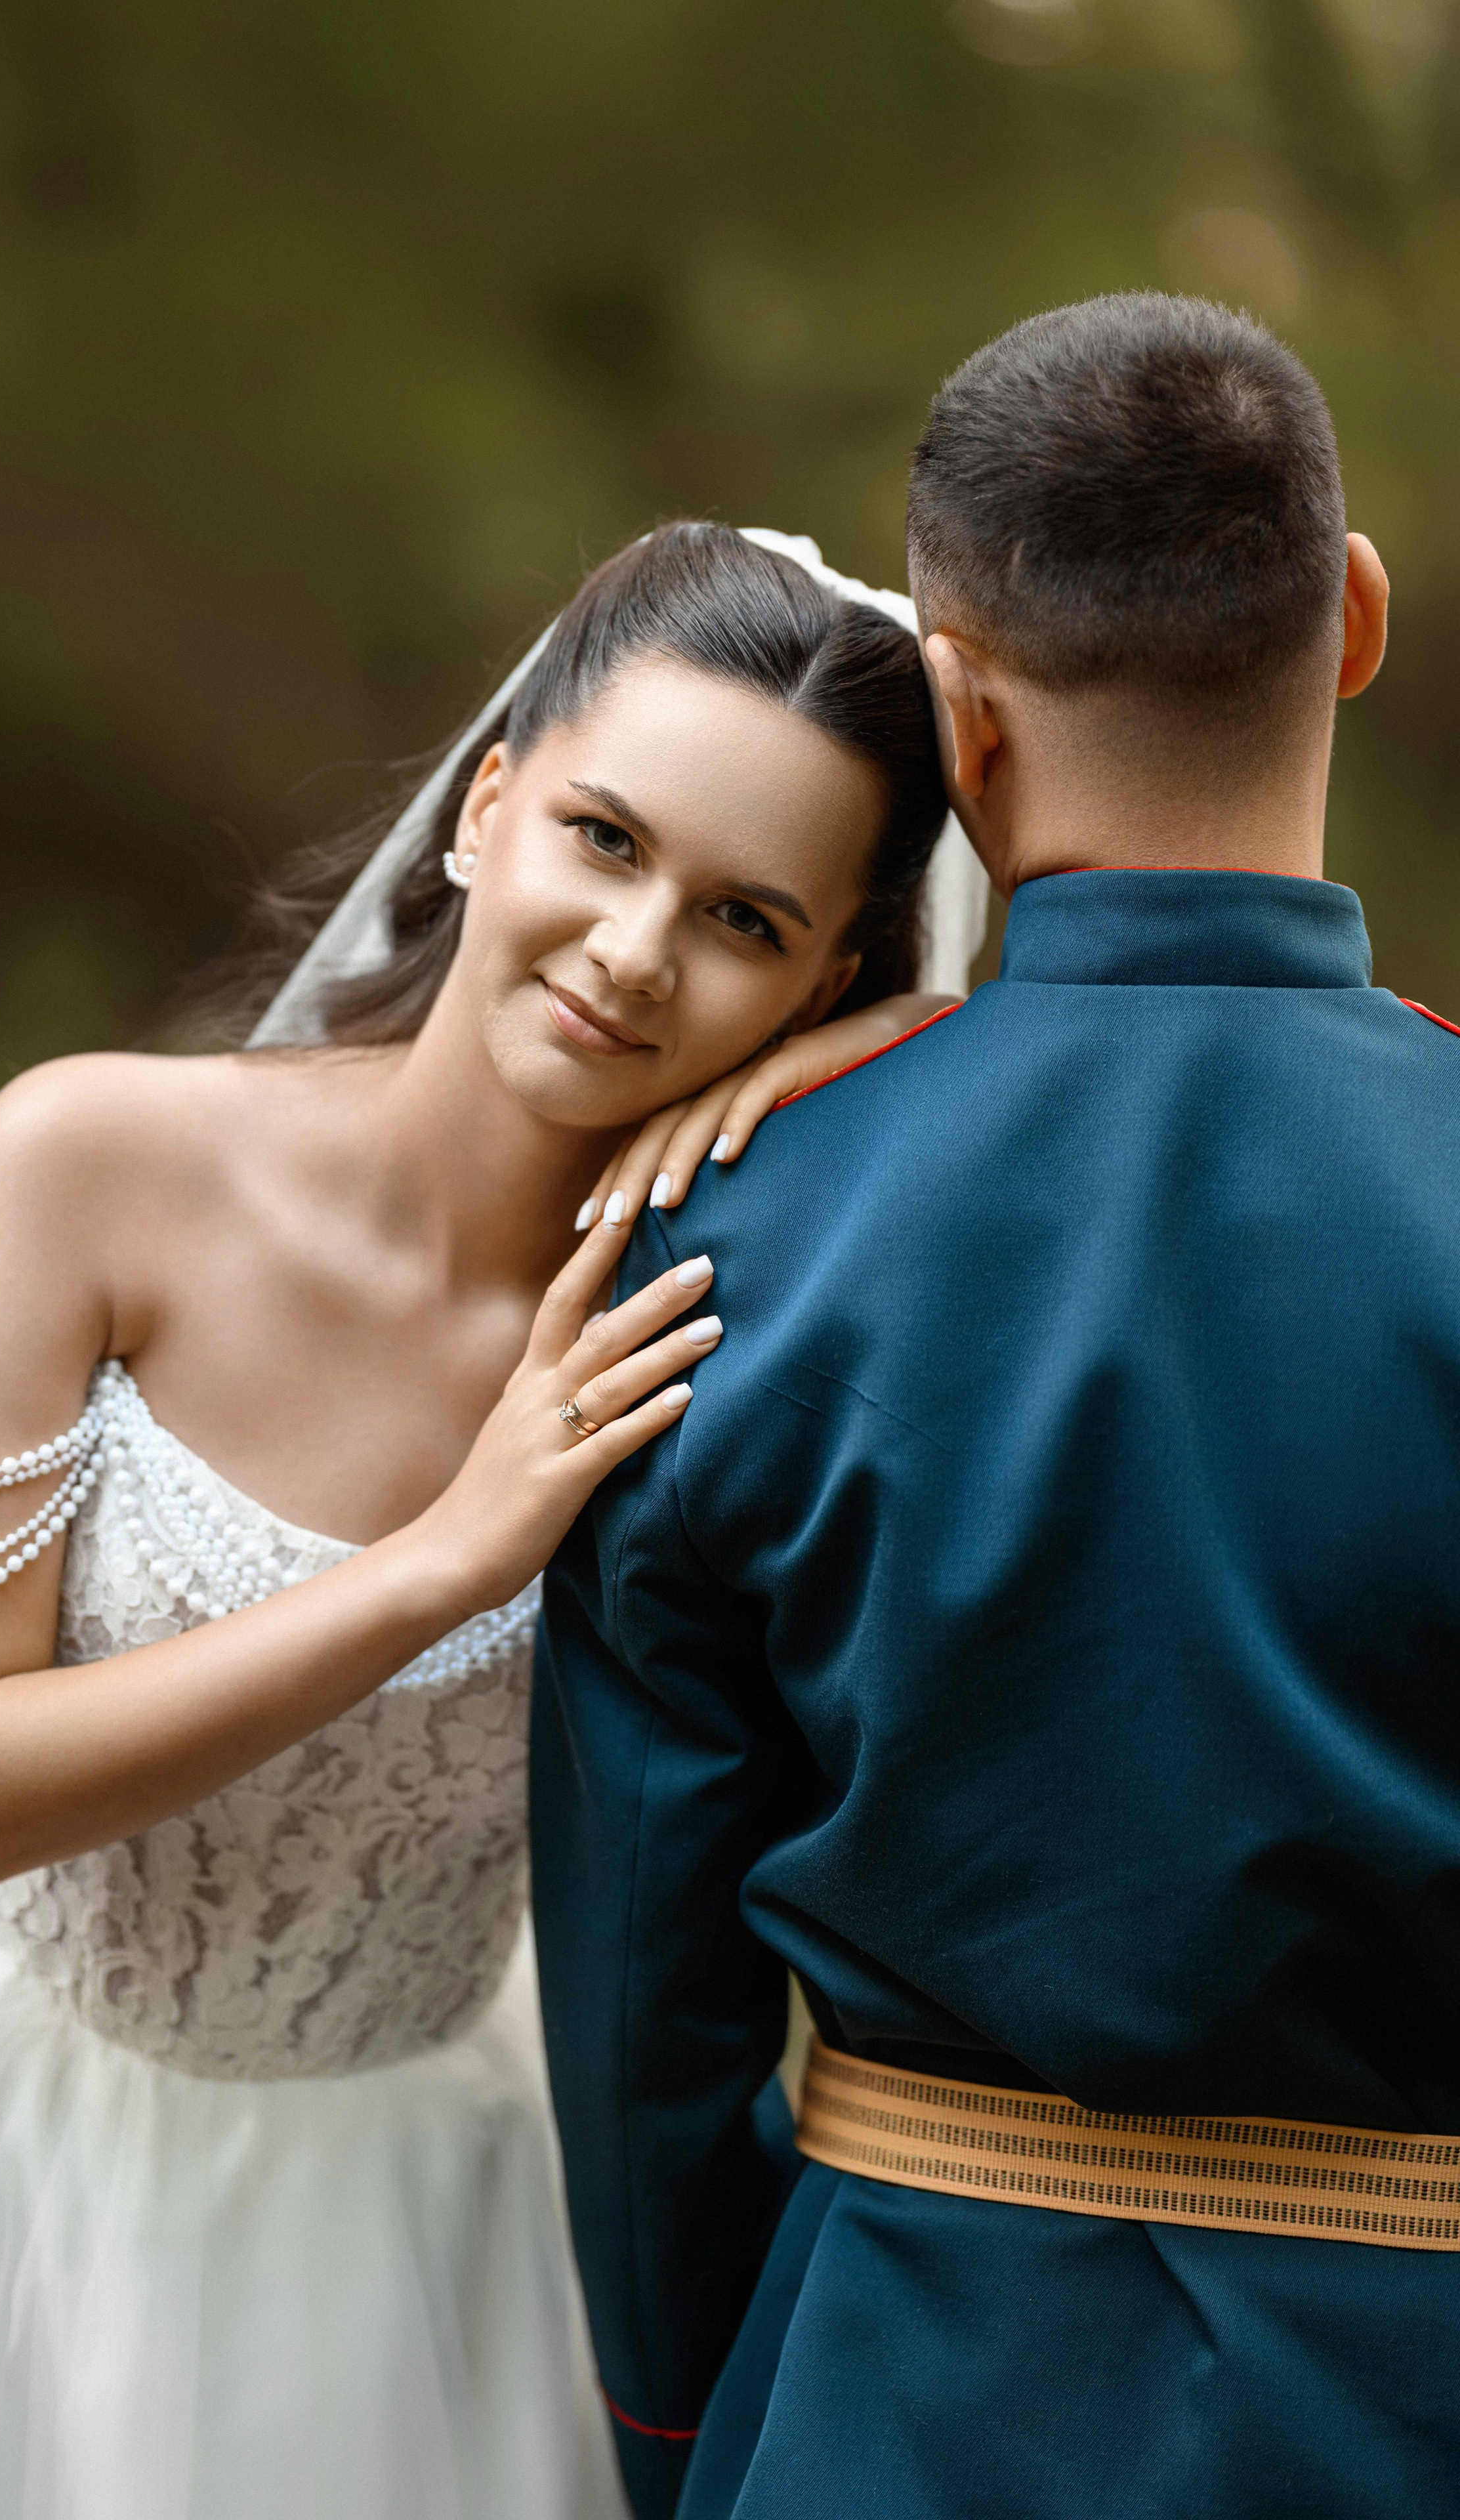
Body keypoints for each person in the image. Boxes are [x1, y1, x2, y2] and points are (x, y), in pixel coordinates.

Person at [0, 520, 982, 2520]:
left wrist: (882, 1053)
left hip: (403, 2253)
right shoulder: (97, 1163)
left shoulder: (723, 1346)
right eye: (604, 839)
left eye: (743, 923)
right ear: (486, 806)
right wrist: (447, 1560)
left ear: (826, 983)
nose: (630, 953)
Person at [532, 295, 1460, 2520]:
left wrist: (696, 2426)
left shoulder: (737, 1234)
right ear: (1353, 619)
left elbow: (648, 1972)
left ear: (954, 709)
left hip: (895, 2396)